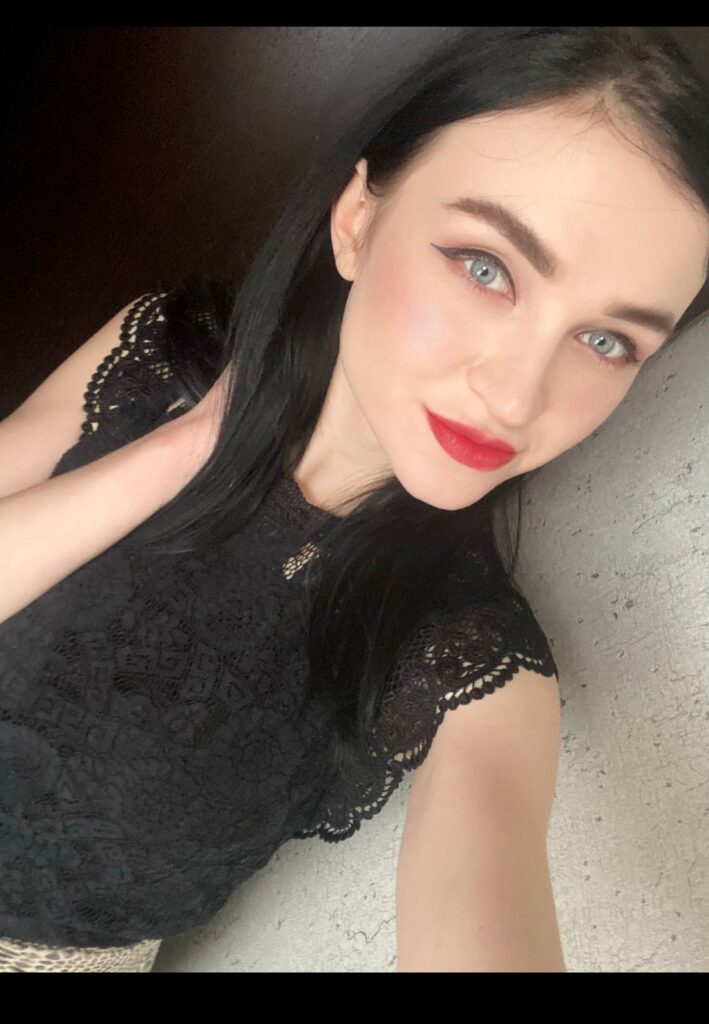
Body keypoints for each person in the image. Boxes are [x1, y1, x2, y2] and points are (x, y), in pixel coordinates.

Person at [1, 26, 707, 972]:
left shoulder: (466, 667)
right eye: (487, 267)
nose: (516, 398)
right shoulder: (160, 356)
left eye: (607, 341)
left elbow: (480, 901)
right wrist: (188, 448)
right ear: (356, 222)